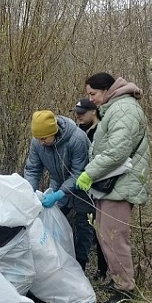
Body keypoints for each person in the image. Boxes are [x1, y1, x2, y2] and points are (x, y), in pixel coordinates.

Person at [75, 72, 151, 303]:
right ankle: (118, 279)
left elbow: (117, 151)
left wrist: (90, 172)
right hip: (111, 183)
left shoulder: (124, 110)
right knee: (105, 234)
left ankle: (125, 288)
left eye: (93, 94)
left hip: (121, 183)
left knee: (114, 237)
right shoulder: (115, 108)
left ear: (107, 90)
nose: (91, 99)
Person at [23, 110, 95, 272]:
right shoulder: (37, 143)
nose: (41, 142)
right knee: (54, 221)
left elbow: (79, 173)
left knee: (84, 225)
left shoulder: (77, 139)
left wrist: (60, 193)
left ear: (54, 132)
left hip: (83, 187)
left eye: (44, 138)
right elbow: (33, 169)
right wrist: (29, 191)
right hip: (58, 183)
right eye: (38, 138)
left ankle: (81, 264)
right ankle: (56, 259)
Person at [73, 97, 108, 280]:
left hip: (100, 186)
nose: (78, 117)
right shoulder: (76, 131)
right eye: (76, 113)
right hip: (81, 187)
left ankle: (103, 270)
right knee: (86, 227)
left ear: (93, 111)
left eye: (82, 113)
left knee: (100, 229)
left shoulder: (101, 131)